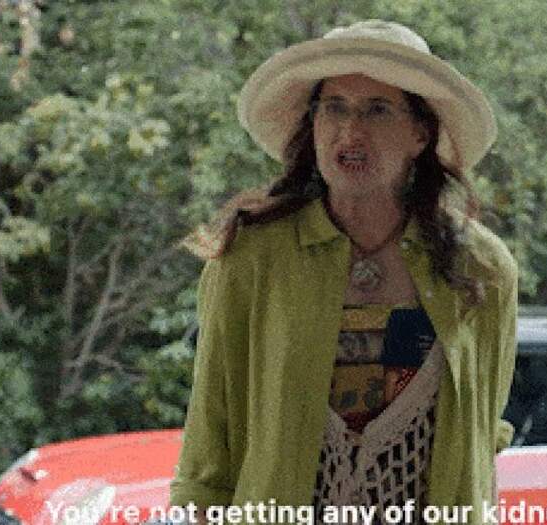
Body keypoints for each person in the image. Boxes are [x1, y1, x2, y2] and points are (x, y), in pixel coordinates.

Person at [170, 19, 518, 525]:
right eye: (334, 107)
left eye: (378, 110)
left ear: (420, 134)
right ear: (312, 126)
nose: (351, 131)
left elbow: (483, 432)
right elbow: (209, 442)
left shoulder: (483, 268)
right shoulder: (252, 256)